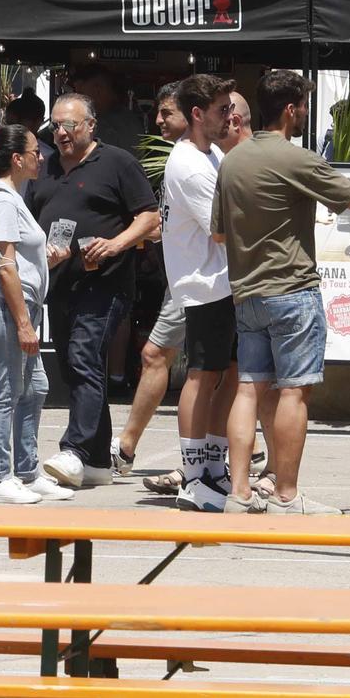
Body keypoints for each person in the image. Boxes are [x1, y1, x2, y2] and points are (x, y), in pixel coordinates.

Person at [213, 68, 350, 515]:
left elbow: (218, 235)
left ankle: (239, 491)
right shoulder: (295, 158)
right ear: (291, 110)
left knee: (249, 389)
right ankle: (287, 494)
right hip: (291, 290)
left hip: (246, 292)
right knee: (294, 392)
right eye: (304, 106)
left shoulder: (232, 160)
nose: (306, 113)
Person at [31, 94, 160, 489]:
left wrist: (116, 244)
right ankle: (99, 459)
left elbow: (149, 215)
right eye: (55, 125)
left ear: (90, 125)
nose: (61, 133)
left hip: (106, 282)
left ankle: (75, 449)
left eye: (69, 125)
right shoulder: (46, 166)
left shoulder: (117, 162)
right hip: (61, 281)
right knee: (74, 366)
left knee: (84, 356)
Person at [154, 74, 241, 512]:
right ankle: (192, 476)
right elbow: (225, 229)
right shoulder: (188, 163)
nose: (231, 115)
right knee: (202, 376)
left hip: (223, 282)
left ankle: (212, 465)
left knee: (228, 374)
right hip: (204, 285)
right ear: (197, 114)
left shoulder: (211, 154)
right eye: (222, 109)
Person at [0, 125, 64, 503]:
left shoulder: (13, 198)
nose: (40, 157)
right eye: (34, 151)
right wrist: (24, 323)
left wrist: (46, 260)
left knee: (35, 387)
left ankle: (26, 470)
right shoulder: (3, 201)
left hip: (21, 307)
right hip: (5, 309)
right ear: (16, 158)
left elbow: (15, 260)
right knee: (6, 391)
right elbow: (4, 265)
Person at [118, 81, 190, 481]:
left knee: (205, 371)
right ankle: (127, 447)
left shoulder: (197, 158)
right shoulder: (179, 158)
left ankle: (206, 462)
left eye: (167, 113)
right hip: (179, 281)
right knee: (161, 358)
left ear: (191, 114)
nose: (158, 120)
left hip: (200, 282)